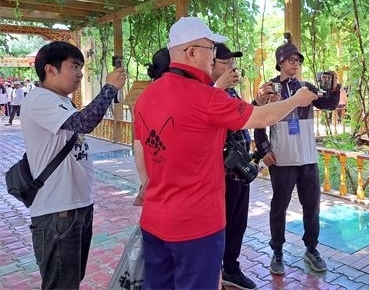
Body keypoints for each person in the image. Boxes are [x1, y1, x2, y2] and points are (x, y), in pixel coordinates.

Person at [132, 17, 317, 290]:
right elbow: (261, 118)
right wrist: (296, 100)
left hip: (154, 219)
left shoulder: (146, 96)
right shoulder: (205, 96)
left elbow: (140, 151)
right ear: (191, 52)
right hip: (197, 225)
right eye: (211, 49)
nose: (214, 57)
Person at [19, 41, 126, 289]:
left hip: (75, 206)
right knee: (62, 284)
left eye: (80, 67)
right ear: (50, 70)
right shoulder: (40, 99)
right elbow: (84, 123)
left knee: (70, 280)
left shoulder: (61, 100)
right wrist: (109, 88)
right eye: (74, 67)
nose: (79, 74)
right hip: (58, 210)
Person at [253, 41, 340, 275]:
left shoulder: (305, 87)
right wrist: (264, 149)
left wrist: (334, 87)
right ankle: (277, 251)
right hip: (281, 159)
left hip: (308, 158)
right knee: (279, 206)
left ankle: (311, 249)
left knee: (312, 206)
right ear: (280, 62)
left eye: (299, 61)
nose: (296, 64)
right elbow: (259, 121)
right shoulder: (269, 89)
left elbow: (329, 104)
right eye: (291, 60)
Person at [211, 43, 258, 290]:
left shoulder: (230, 91)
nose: (231, 68)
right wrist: (217, 88)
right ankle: (216, 271)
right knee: (223, 223)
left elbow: (243, 117)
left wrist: (258, 103)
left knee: (238, 222)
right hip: (222, 172)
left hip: (239, 168)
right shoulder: (207, 92)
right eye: (225, 63)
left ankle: (231, 268)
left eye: (232, 63)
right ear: (210, 64)